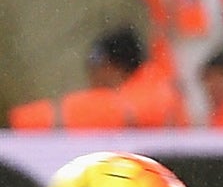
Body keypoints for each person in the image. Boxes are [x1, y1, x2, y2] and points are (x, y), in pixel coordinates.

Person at [9, 28, 185, 131]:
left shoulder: (156, 92)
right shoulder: (153, 86)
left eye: (94, 67)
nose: (90, 74)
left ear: (111, 67)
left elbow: (106, 111)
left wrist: (16, 120)